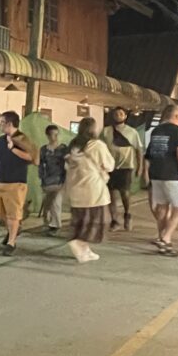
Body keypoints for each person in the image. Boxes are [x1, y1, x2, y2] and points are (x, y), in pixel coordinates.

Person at [144, 104, 178, 257]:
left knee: (162, 207)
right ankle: (166, 238)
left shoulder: (156, 131)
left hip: (156, 174)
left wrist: (146, 174)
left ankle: (161, 237)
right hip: (173, 175)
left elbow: (150, 155)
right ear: (177, 116)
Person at [64, 118, 114, 263]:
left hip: (75, 188)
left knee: (80, 220)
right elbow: (109, 165)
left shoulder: (73, 145)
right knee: (98, 220)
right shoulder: (97, 145)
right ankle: (78, 242)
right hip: (93, 189)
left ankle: (84, 250)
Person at [0, 111, 35, 257]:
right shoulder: (0, 140)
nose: (0, 125)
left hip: (15, 182)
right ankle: (13, 229)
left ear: (9, 123)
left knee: (13, 214)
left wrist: (13, 148)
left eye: (2, 122)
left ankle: (11, 242)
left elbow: (31, 157)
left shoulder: (22, 139)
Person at [101, 107, 143, 231]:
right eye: (116, 114)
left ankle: (127, 214)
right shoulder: (105, 131)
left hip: (126, 166)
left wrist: (140, 167)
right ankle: (114, 220)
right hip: (110, 167)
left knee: (125, 192)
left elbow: (139, 150)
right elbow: (99, 147)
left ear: (125, 116)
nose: (118, 115)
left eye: (121, 114)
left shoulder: (132, 132)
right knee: (111, 195)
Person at [38, 124, 68, 235]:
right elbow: (40, 164)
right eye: (51, 135)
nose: (54, 137)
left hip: (59, 178)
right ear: (47, 135)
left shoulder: (63, 148)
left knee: (56, 202)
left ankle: (55, 225)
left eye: (56, 134)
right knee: (47, 203)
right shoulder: (44, 149)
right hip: (47, 179)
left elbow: (68, 162)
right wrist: (41, 176)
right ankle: (48, 223)